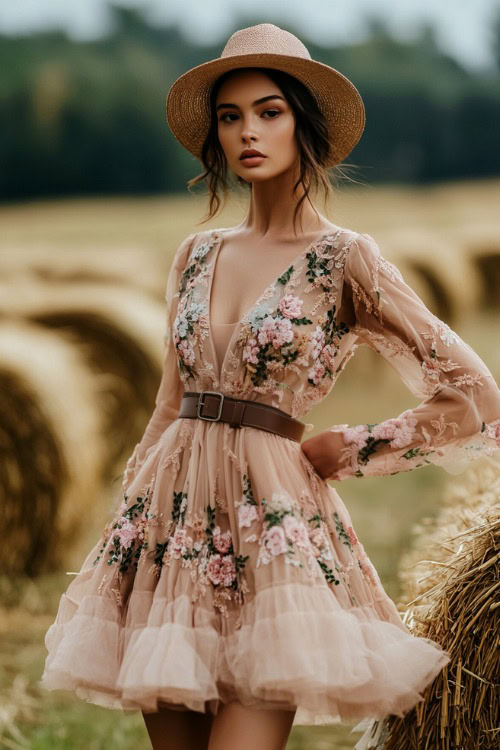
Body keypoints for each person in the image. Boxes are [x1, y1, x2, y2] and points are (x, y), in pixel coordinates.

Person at [41, 23, 500, 750]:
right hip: (168, 528)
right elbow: (169, 399)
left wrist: (355, 447)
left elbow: (474, 391)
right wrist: (130, 517)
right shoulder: (195, 253)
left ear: (304, 125)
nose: (247, 132)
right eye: (230, 117)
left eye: (269, 111)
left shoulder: (345, 259)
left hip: (272, 530)